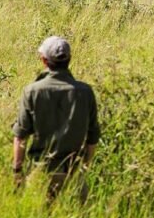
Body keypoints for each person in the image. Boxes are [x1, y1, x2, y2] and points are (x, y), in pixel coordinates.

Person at [12, 36, 100, 200]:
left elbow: (20, 137)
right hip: (73, 174)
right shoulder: (85, 92)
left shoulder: (32, 91)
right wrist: (84, 167)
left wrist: (17, 172)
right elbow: (93, 137)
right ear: (69, 59)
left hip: (40, 173)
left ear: (44, 60)